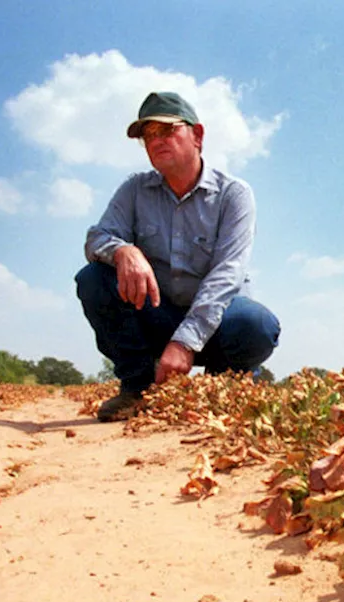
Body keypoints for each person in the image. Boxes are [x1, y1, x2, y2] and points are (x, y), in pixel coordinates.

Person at [77, 91, 281, 421]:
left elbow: (227, 274)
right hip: (157, 316)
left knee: (255, 324)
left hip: (217, 323)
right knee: (94, 279)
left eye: (168, 130)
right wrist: (123, 250)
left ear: (197, 135)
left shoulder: (233, 194)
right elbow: (97, 237)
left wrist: (185, 343)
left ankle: (222, 385)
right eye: (148, 135)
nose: (156, 141)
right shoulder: (134, 190)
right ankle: (137, 389)